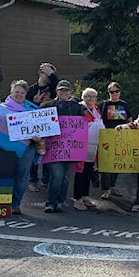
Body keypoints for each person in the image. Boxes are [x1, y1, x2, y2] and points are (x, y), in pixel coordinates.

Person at [0, 79, 42, 215]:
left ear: (26, 94)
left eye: (22, 93)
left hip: (27, 149)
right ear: (11, 92)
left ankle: (15, 204)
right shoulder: (0, 109)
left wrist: (38, 137)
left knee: (21, 177)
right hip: (3, 148)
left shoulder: (32, 110)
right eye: (16, 92)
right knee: (2, 176)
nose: (19, 95)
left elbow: (41, 129)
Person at [40, 80, 83, 213]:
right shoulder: (46, 106)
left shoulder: (76, 108)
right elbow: (40, 124)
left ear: (70, 92)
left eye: (66, 90)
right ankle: (51, 203)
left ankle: (60, 201)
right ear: (56, 91)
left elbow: (81, 127)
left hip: (69, 149)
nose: (63, 92)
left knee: (65, 178)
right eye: (61, 90)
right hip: (52, 148)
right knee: (57, 176)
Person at [98, 81, 134, 200]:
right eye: (111, 92)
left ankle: (112, 186)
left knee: (117, 162)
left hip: (121, 137)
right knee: (105, 163)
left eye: (116, 91)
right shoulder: (103, 105)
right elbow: (98, 119)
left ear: (120, 92)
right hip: (106, 137)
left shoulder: (124, 105)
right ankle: (106, 189)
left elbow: (129, 120)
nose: (114, 94)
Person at [26, 62, 59, 191]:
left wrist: (51, 74)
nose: (47, 75)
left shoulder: (53, 88)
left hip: (49, 125)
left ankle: (46, 179)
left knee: (47, 152)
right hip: (34, 126)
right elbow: (23, 104)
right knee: (34, 153)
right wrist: (33, 101)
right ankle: (33, 181)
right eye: (45, 72)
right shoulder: (31, 89)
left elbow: (60, 85)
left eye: (50, 74)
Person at [72, 87, 103, 211]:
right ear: (83, 98)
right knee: (80, 172)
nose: (90, 99)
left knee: (88, 171)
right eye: (87, 96)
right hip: (81, 144)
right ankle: (77, 198)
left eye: (92, 96)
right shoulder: (79, 108)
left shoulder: (96, 109)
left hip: (93, 145)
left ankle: (85, 195)